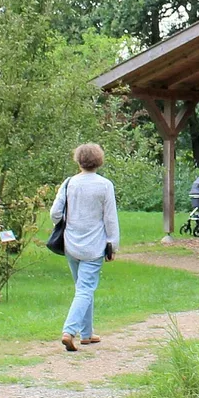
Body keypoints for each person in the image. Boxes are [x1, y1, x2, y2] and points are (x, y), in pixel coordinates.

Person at [50, 142, 119, 352]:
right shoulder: (105, 185)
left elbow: (54, 213)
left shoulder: (69, 183)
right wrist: (112, 244)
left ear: (78, 160)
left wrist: (64, 223)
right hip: (94, 246)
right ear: (99, 160)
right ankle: (69, 331)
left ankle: (87, 334)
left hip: (71, 245)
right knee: (85, 289)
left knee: (83, 289)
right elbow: (110, 218)